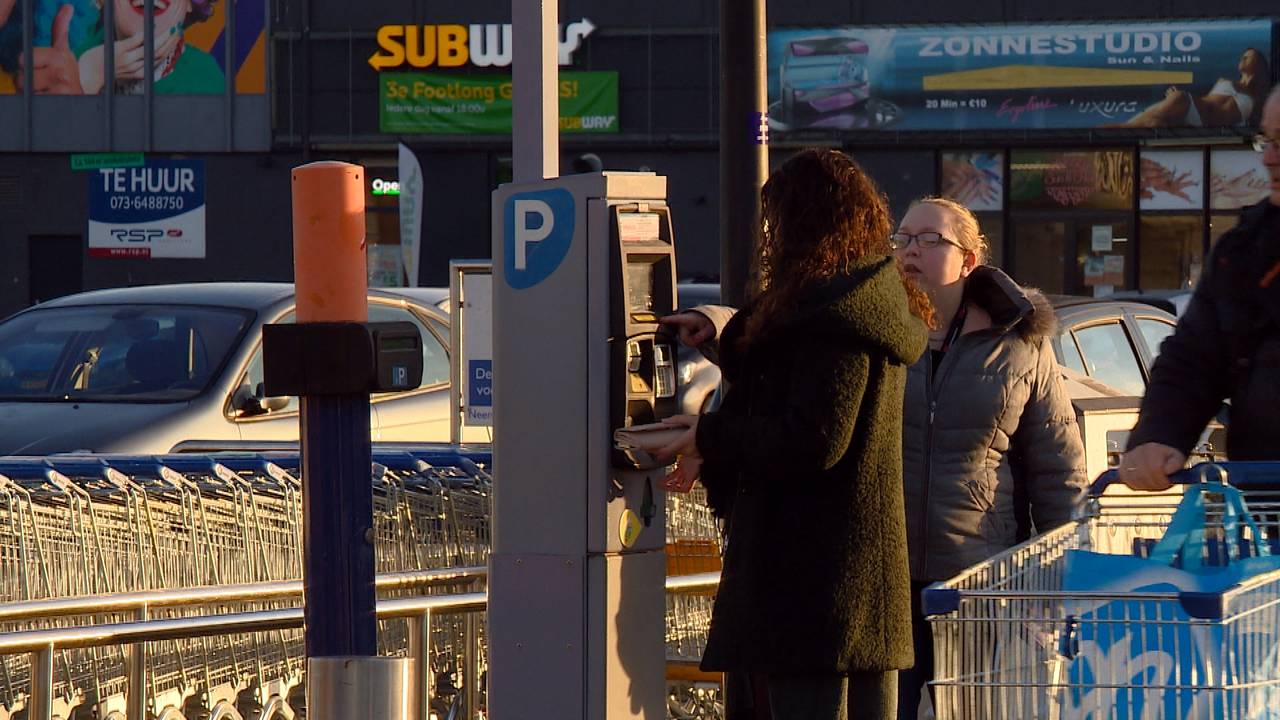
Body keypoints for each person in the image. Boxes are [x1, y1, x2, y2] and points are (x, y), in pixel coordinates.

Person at [655, 148, 931, 720]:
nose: (768, 237)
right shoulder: (848, 298)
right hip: (836, 585)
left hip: (814, 586)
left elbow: (814, 438)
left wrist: (707, 437)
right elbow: (782, 365)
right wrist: (722, 333)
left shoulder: (837, 316)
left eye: (775, 222)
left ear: (803, 224)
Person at [891, 197, 1088, 718]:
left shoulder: (1019, 342)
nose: (911, 250)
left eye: (930, 240)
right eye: (903, 238)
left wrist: (1052, 575)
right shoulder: (878, 327)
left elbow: (1057, 464)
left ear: (969, 260)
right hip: (885, 569)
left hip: (978, 579)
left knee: (970, 710)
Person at [1120, 87, 1280, 492]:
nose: (1268, 157)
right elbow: (1195, 358)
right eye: (1266, 140)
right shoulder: (1243, 250)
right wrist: (1158, 434)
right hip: (1268, 512)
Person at [1114, 48, 1270, 128]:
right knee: (1132, 128)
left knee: (1149, 125)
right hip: (1188, 105)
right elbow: (1209, 100)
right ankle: (1098, 139)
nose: (1244, 56)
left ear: (1260, 63)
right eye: (1243, 55)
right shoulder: (1225, 81)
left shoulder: (1257, 98)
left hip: (1201, 125)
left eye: (1249, 55)